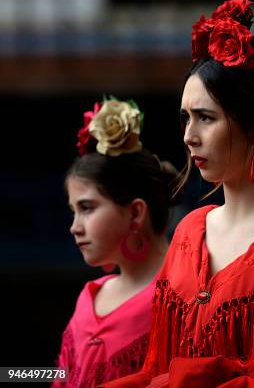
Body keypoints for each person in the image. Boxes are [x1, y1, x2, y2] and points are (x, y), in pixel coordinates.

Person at [102, 0, 254, 388]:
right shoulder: (190, 230)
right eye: (186, 118)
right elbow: (156, 369)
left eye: (206, 118)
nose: (188, 136)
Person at [55, 98, 178, 387]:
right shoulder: (90, 298)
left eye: (87, 208)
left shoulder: (182, 298)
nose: (74, 227)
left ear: (135, 212)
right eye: (74, 212)